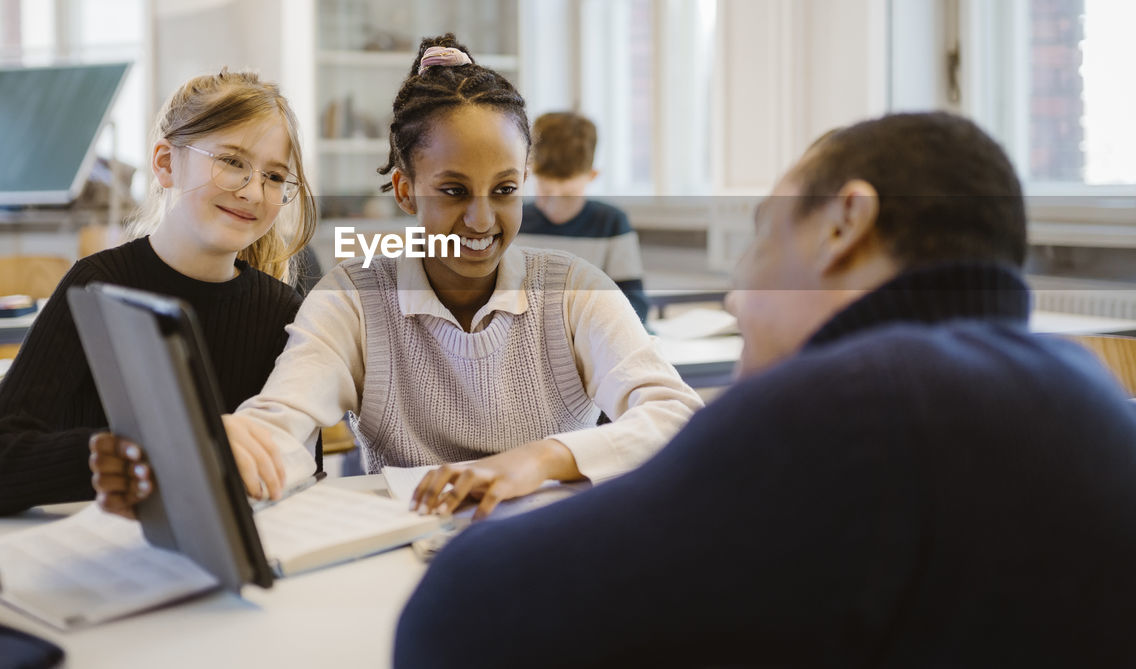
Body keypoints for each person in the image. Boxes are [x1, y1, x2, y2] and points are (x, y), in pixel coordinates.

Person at [394, 112, 1136, 667]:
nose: (735, 298)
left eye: (762, 235)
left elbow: (455, 621)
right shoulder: (1088, 395)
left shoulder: (854, 407)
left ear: (845, 222)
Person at [199, 33, 700, 518]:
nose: (482, 221)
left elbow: (677, 417)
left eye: (504, 190)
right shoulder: (353, 297)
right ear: (405, 190)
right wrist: (235, 449)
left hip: (551, 550)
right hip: (414, 557)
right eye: (454, 191)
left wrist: (538, 459)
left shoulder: (575, 289)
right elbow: (284, 419)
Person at [0, 69, 317, 517]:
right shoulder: (96, 286)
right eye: (232, 162)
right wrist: (152, 448)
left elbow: (299, 478)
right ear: (165, 164)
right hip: (102, 551)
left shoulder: (282, 310)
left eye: (275, 176)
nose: (254, 192)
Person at [519, 111, 648, 323]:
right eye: (546, 191)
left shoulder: (611, 223)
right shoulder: (516, 222)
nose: (556, 204)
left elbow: (634, 303)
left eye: (568, 194)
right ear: (528, 173)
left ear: (592, 176)